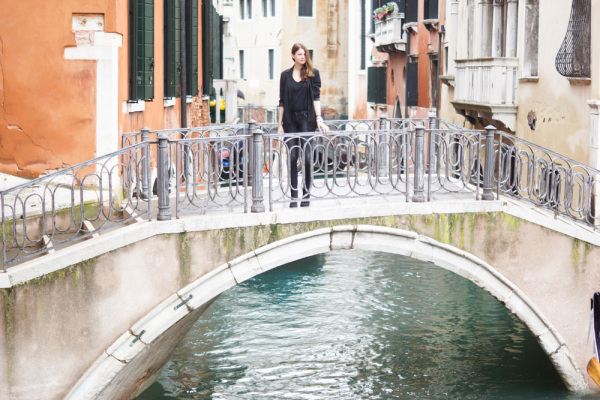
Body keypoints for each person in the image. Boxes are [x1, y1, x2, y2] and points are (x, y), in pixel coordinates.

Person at [278, 43, 329, 208]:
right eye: (299, 54)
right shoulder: (285, 76)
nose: (303, 57)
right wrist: (279, 125)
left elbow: (316, 98)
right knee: (293, 157)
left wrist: (319, 118)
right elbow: (282, 102)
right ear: (293, 56)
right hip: (290, 121)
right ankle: (294, 197)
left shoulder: (313, 75)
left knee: (307, 157)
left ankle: (306, 195)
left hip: (307, 120)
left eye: (304, 54)